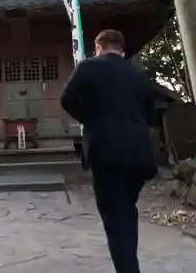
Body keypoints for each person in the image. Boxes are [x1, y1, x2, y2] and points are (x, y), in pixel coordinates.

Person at [60, 29, 157, 273]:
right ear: (122, 50)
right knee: (127, 211)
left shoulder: (88, 67)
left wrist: (90, 119)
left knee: (115, 220)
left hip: (106, 151)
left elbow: (66, 99)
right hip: (139, 153)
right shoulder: (137, 75)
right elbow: (150, 114)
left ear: (98, 48)